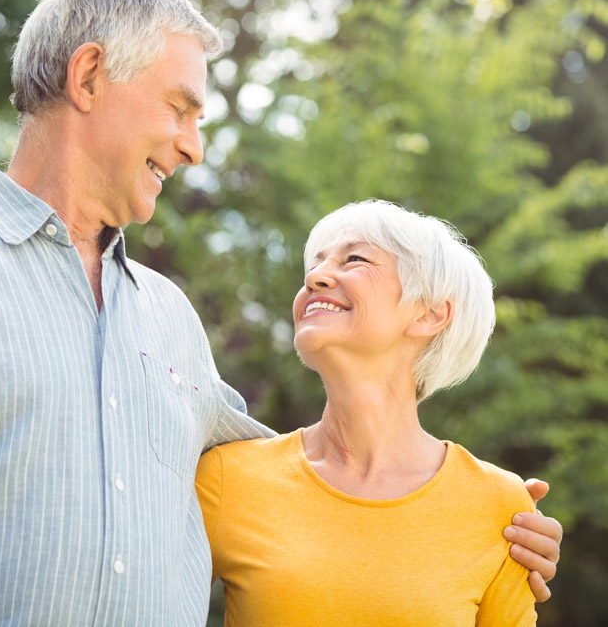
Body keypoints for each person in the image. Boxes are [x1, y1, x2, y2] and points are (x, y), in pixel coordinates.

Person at [0, 0, 558, 626]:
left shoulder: (168, 317)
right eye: (180, 109)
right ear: (90, 75)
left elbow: (312, 475)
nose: (193, 148)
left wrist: (478, 517)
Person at [196, 200, 558, 626]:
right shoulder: (226, 477)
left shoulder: (502, 506)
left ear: (428, 313)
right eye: (315, 264)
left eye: (355, 259)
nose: (315, 276)